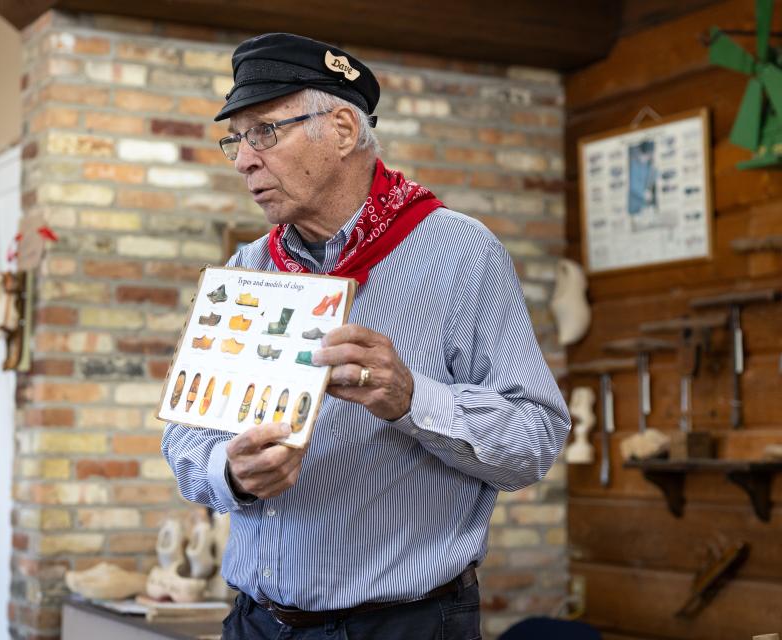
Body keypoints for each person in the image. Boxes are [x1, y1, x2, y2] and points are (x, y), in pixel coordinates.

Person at [161, 32, 570, 640]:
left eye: (265, 132)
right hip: (255, 624)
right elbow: (185, 436)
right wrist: (230, 472)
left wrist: (411, 399)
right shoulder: (247, 270)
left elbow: (536, 437)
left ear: (344, 130)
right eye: (237, 139)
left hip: (406, 626)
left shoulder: (462, 254)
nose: (245, 158)